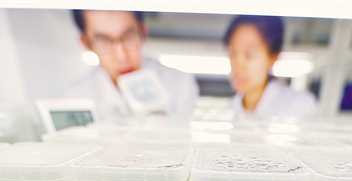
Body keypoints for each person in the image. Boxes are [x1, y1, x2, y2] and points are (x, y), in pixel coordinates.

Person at [68, 10, 199, 117]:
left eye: (128, 36)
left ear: (143, 31)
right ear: (86, 42)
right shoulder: (76, 98)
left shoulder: (179, 83)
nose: (121, 56)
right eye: (104, 41)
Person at [224, 15, 317, 119]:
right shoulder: (230, 110)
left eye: (249, 55)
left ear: (273, 57)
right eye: (232, 54)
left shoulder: (299, 105)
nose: (238, 65)